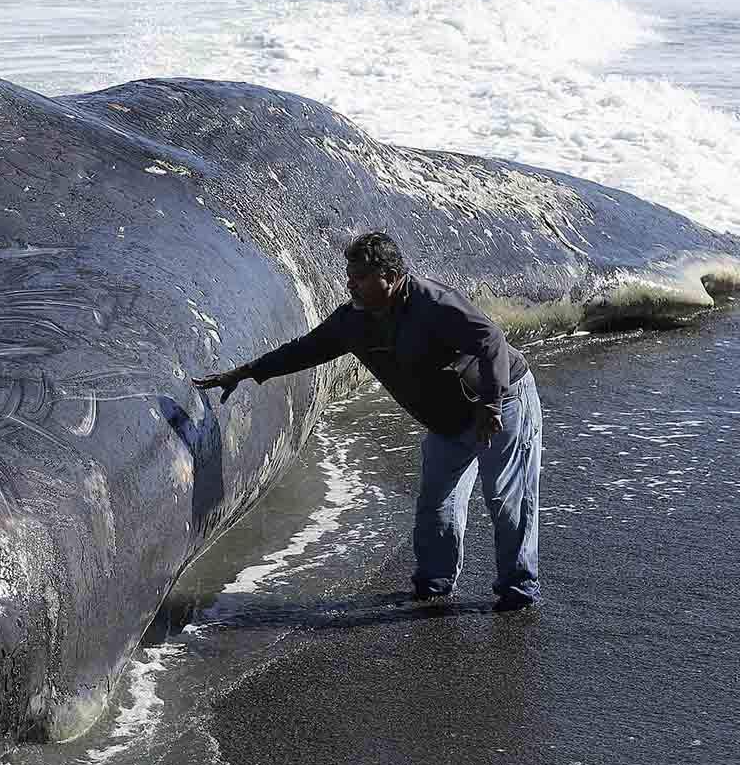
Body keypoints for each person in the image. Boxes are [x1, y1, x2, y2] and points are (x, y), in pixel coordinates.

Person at [193, 231, 542, 611]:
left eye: (359, 277)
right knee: (435, 505)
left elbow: (490, 339)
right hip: (447, 421)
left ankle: (518, 590)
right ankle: (434, 586)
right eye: (349, 274)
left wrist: (491, 404)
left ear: (390, 277)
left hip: (498, 404)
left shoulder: (433, 304)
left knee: (506, 499)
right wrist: (245, 372)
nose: (349, 284)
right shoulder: (353, 321)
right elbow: (304, 351)